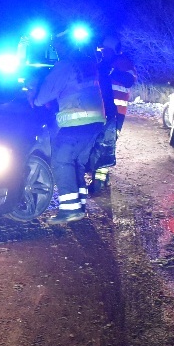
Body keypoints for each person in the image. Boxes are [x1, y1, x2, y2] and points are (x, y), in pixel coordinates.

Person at [31, 43, 106, 224]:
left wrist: (33, 95)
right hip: (95, 122)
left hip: (76, 123)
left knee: (61, 161)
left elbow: (43, 97)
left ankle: (69, 209)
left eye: (57, 47)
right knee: (77, 163)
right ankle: (79, 204)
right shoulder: (86, 63)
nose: (57, 50)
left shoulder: (65, 66)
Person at [88, 38, 137, 193]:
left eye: (106, 51)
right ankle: (102, 175)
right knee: (96, 142)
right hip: (99, 110)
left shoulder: (124, 62)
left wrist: (111, 71)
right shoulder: (101, 64)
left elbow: (129, 80)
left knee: (107, 142)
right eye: (102, 51)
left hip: (115, 113)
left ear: (114, 50)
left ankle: (98, 181)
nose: (103, 53)